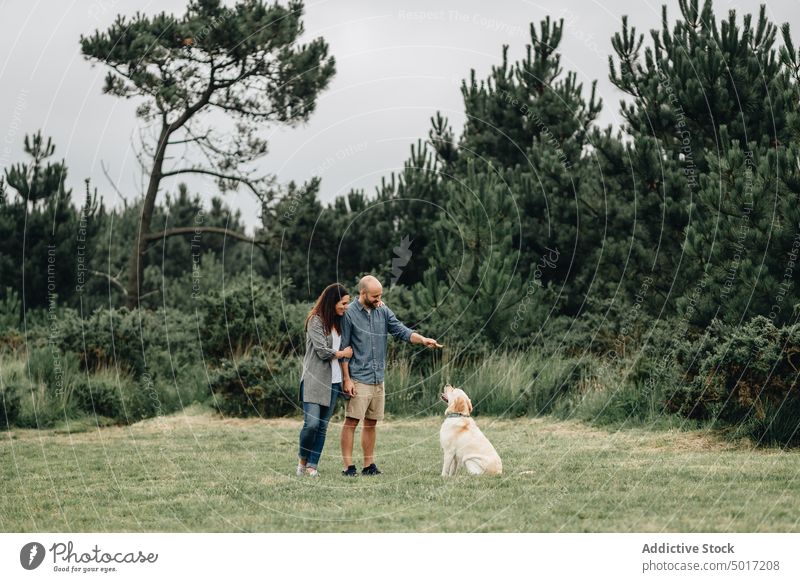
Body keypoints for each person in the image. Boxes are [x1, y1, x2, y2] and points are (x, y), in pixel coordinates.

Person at [339, 275, 440, 476]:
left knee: (371, 422)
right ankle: (348, 467)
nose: (378, 299)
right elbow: (344, 349)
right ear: (363, 293)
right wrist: (347, 379)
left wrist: (422, 339)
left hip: (378, 378)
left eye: (380, 296)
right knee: (351, 421)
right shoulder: (349, 314)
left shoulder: (383, 310)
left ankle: (369, 466)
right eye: (375, 296)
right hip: (358, 377)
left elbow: (401, 330)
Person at [297, 283, 353, 477]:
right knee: (311, 424)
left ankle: (313, 465)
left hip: (335, 383)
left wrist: (377, 304)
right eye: (343, 303)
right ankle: (302, 459)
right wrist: (342, 353)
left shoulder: (341, 321)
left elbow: (361, 312)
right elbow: (321, 351)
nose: (346, 307)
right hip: (314, 380)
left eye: (348, 304)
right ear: (332, 301)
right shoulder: (315, 321)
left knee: (322, 427)